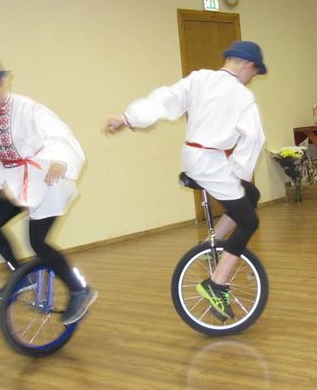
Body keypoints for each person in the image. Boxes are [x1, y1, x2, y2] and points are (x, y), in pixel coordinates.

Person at [102, 41, 267, 321]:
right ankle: (216, 284)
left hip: (194, 157)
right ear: (248, 65)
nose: (251, 79)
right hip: (210, 164)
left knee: (250, 195)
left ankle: (209, 246)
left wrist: (127, 118)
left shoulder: (199, 78)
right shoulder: (242, 96)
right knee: (249, 221)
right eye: (254, 73)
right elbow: (254, 139)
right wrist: (238, 172)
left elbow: (165, 99)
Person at [0, 54, 97, 325]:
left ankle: (80, 290)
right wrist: (1, 183)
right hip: (15, 181)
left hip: (47, 178)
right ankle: (21, 275)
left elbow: (60, 135)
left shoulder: (28, 109)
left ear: (3, 82)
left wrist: (61, 161)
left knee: (38, 242)